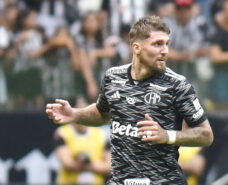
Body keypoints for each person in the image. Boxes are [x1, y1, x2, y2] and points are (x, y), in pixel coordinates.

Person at [46, 15, 213, 185]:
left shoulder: (177, 85)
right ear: (137, 47)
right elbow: (102, 113)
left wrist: (167, 135)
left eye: (166, 44)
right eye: (157, 44)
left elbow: (206, 135)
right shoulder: (113, 77)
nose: (165, 51)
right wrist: (75, 114)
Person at [54, 97, 110, 185]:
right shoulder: (63, 133)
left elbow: (108, 166)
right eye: (79, 110)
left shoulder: (101, 134)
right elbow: (67, 163)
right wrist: (90, 164)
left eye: (85, 110)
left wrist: (87, 164)